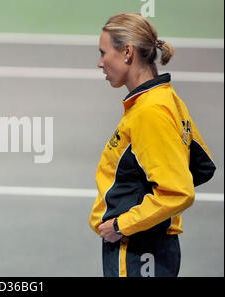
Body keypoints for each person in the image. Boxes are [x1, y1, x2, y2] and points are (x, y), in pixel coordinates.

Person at [89, 13, 216, 277]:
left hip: (138, 247)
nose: (100, 63)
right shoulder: (164, 99)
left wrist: (122, 225)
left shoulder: (150, 111)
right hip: (146, 243)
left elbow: (179, 191)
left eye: (103, 53)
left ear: (127, 52)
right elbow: (199, 165)